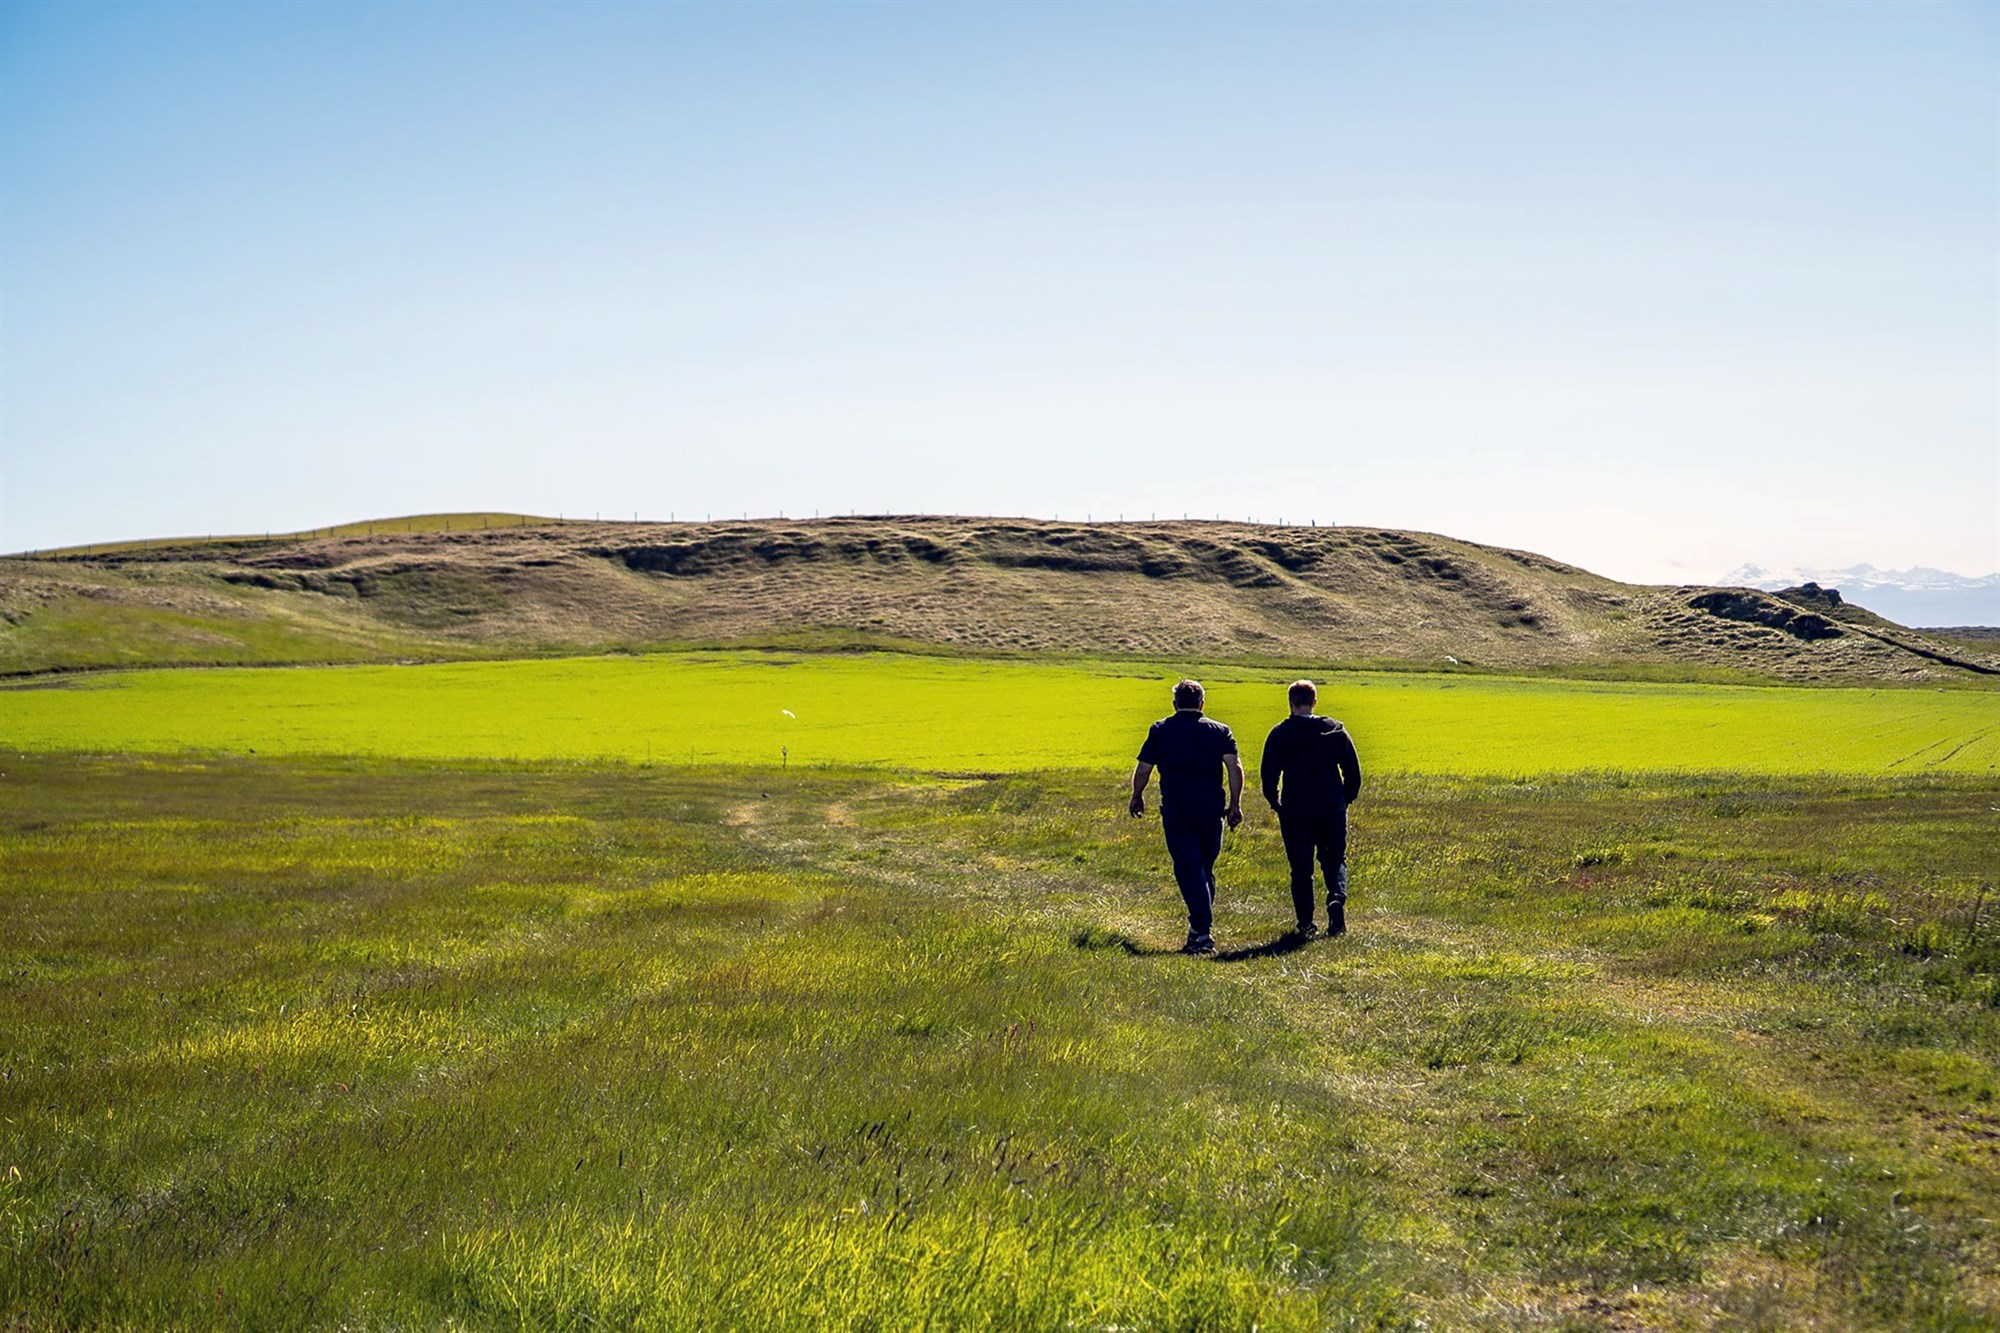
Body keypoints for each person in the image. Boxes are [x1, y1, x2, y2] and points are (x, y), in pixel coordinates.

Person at [1129, 679, 1244, 954]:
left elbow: (1144, 769)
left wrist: (1137, 795)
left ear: (1175, 704)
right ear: (1202, 704)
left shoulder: (1161, 730)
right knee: (1204, 867)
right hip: (1211, 809)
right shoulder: (1220, 731)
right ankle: (1198, 930)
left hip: (1177, 809)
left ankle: (1203, 933)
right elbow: (1234, 768)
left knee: (1187, 868)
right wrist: (1235, 804)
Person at [1259, 680, 1362, 937]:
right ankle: (1336, 898)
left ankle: (1305, 923)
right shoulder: (1334, 730)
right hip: (1331, 806)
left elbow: (1268, 774)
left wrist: (1276, 802)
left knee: (1301, 867)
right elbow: (1353, 771)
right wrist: (1345, 798)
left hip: (1296, 808)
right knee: (1335, 859)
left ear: (1290, 702)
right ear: (1314, 702)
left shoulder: (1280, 733)